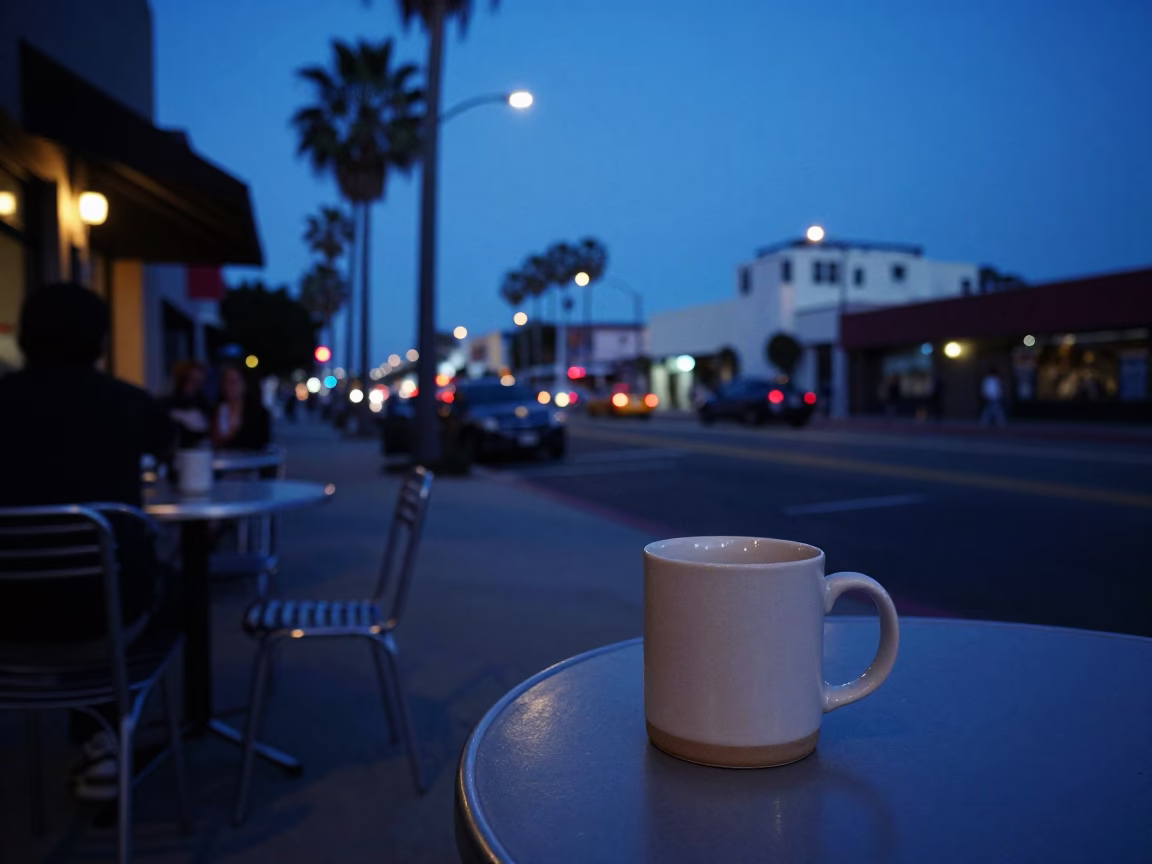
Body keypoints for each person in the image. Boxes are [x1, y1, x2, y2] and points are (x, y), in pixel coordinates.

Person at [0, 282, 176, 801]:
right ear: (100, 340)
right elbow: (171, 450)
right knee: (165, 588)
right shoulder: (127, 403)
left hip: (5, 620)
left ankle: (94, 736)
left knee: (76, 588)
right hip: (106, 619)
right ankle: (102, 731)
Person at [213, 365, 271, 450]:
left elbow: (262, 443)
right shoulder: (216, 410)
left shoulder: (258, 413)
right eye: (225, 382)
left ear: (245, 384)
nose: (229, 387)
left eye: (233, 382)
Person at [165, 359, 211, 448]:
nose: (195, 386)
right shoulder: (167, 404)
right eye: (192, 380)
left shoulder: (203, 404)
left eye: (199, 382)